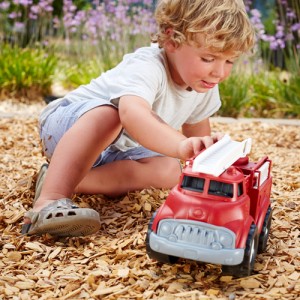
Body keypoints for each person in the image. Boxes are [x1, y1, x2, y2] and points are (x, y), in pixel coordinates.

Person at [22, 0, 255, 237]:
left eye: (229, 61)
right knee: (111, 115)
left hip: (117, 150)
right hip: (69, 129)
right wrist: (180, 145)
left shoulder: (204, 84)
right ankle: (49, 200)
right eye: (208, 59)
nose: (219, 72)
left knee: (171, 170)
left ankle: (62, 177)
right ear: (172, 39)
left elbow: (198, 138)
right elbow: (132, 114)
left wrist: (213, 166)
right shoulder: (147, 66)